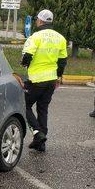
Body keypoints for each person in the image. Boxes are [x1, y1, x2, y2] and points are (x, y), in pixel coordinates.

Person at [20, 9, 68, 152]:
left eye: (37, 20)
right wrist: (58, 77)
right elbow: (62, 61)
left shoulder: (35, 37)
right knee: (43, 109)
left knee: (23, 104)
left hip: (36, 79)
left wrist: (23, 63)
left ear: (40, 21)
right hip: (51, 79)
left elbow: (27, 55)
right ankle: (41, 143)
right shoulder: (60, 38)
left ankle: (37, 132)